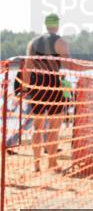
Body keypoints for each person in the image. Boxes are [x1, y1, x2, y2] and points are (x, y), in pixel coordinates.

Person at [22, 13, 87, 172]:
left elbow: (27, 67)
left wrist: (25, 88)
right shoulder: (60, 42)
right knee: (53, 127)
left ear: (46, 25)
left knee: (37, 127)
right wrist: (91, 67)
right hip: (53, 86)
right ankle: (52, 163)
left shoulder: (33, 42)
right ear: (57, 25)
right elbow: (71, 65)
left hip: (37, 86)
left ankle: (36, 164)